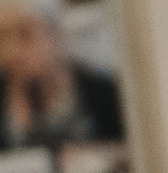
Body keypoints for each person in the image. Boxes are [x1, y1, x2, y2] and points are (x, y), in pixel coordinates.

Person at [0, 0, 119, 156]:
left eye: (25, 34)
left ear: (54, 32)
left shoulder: (103, 94)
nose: (12, 52)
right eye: (2, 37)